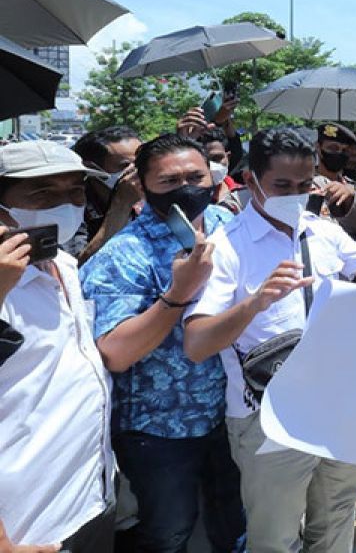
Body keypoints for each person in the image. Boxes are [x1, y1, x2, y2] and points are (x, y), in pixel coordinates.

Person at [183, 127, 356, 553]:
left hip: (338, 406)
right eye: (282, 185)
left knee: (336, 517)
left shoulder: (322, 231)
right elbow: (196, 342)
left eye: (304, 184)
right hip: (268, 422)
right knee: (275, 536)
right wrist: (254, 304)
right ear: (251, 180)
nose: (295, 194)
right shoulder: (228, 247)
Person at [81, 134, 244, 552]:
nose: (187, 188)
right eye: (170, 181)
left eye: (196, 176)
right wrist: (178, 294)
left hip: (231, 412)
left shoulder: (231, 227)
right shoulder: (123, 255)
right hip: (159, 429)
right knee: (169, 531)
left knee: (230, 521)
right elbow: (115, 353)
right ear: (144, 185)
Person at [0, 141, 115, 551]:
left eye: (75, 192)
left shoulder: (64, 264)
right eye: (43, 193)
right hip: (25, 525)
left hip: (88, 499)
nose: (66, 205)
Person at [69, 126, 142, 262]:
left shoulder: (154, 195)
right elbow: (78, 266)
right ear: (92, 169)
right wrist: (121, 205)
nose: (138, 172)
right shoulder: (73, 206)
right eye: (125, 165)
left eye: (141, 163)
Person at [312, 122, 356, 236]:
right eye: (333, 148)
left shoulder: (355, 188)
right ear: (318, 148)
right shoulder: (304, 185)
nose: (339, 153)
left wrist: (351, 199)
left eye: (345, 150)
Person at [199, 128, 241, 212]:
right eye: (205, 161)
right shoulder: (192, 201)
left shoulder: (243, 195)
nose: (211, 166)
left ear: (228, 158)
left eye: (217, 158)